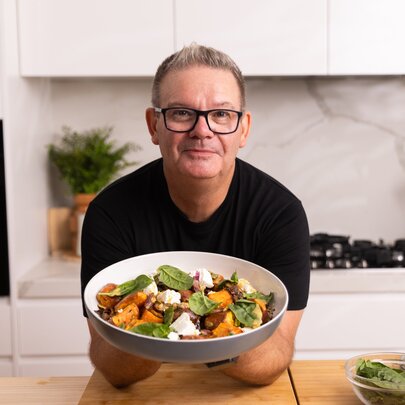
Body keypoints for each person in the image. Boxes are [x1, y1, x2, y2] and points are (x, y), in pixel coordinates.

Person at [80, 43, 310, 388]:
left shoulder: (280, 214)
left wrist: (211, 335)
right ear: (154, 125)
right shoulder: (110, 213)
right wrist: (160, 316)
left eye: (221, 114)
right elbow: (112, 367)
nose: (203, 130)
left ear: (243, 129)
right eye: (182, 113)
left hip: (232, 394)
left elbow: (273, 360)